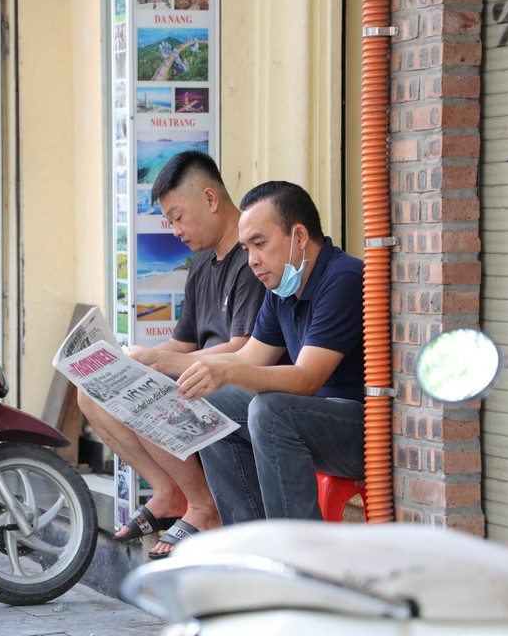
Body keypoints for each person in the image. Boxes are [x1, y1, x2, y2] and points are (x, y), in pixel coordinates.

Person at [130, 181, 365, 524]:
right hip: (316, 422)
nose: (252, 260)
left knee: (271, 411)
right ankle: (246, 539)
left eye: (260, 244)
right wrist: (162, 361)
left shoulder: (342, 277)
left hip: (362, 431)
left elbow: (306, 379)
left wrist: (224, 373)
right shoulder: (281, 286)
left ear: (299, 237)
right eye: (246, 248)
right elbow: (248, 358)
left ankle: (295, 558)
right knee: (206, 400)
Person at [78, 151, 265, 558]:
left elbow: (247, 350)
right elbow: (182, 342)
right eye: (169, 221)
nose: (175, 230)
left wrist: (159, 364)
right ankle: (169, 492)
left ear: (211, 199)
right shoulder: (200, 265)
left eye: (178, 217)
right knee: (91, 393)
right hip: (201, 378)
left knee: (154, 387)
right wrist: (122, 363)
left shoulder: (252, 260)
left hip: (235, 386)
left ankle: (204, 504)